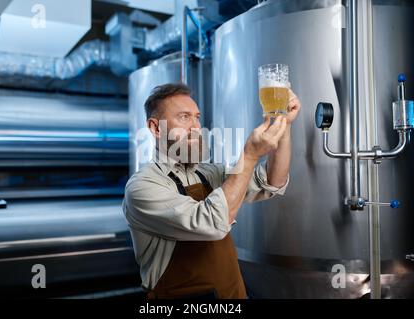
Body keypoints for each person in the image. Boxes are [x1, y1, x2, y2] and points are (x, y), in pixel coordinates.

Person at [123, 83, 301, 299]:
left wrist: (285, 126)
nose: (196, 126)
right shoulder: (143, 187)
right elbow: (212, 222)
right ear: (156, 128)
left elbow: (272, 181)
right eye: (184, 117)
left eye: (197, 117)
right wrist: (250, 155)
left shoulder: (209, 173)